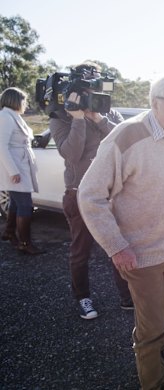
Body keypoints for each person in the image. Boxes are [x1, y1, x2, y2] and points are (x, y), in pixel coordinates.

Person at [77, 73, 164, 390]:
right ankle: (153, 380)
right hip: (140, 254)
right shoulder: (126, 137)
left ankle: (157, 358)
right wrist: (117, 247)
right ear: (155, 103)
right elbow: (90, 195)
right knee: (151, 327)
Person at [49, 61, 132, 320]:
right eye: (86, 88)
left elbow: (122, 143)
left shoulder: (109, 112)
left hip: (112, 193)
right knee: (80, 251)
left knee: (117, 245)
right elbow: (71, 154)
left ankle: (127, 296)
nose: (91, 93)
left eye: (96, 86)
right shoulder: (60, 116)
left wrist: (99, 118)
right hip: (79, 193)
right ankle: (83, 297)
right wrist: (78, 120)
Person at [0, 87, 45, 255]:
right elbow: (1, 146)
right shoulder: (5, 117)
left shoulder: (13, 116)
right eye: (23, 100)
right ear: (15, 100)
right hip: (15, 167)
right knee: (25, 205)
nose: (25, 104)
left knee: (16, 203)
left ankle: (9, 232)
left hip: (20, 164)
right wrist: (13, 171)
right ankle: (25, 243)